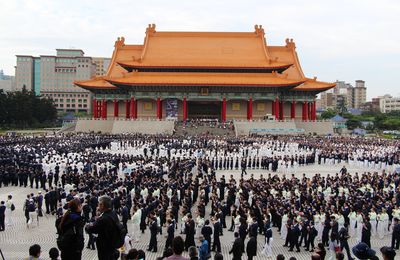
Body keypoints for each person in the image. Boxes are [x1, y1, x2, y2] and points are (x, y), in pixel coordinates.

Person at [85, 195, 120, 260]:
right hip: (112, 245)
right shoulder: (113, 213)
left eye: (99, 204)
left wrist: (88, 225)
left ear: (102, 205)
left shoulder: (103, 219)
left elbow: (90, 229)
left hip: (104, 248)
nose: (98, 205)